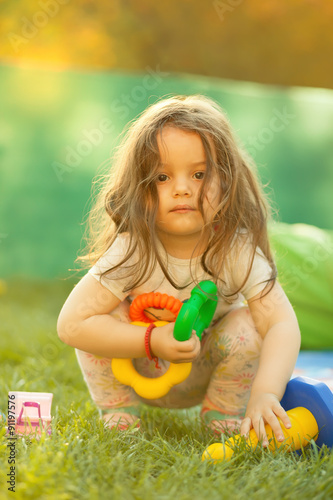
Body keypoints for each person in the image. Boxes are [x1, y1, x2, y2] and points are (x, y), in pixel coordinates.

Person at [57, 95, 301, 446]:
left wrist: (265, 393)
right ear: (139, 189)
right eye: (161, 177)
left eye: (200, 174)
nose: (182, 188)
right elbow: (71, 324)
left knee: (252, 321)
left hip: (202, 368)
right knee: (100, 312)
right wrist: (153, 340)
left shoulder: (236, 250)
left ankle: (223, 412)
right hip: (134, 365)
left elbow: (281, 323)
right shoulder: (131, 249)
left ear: (228, 182)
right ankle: (118, 410)